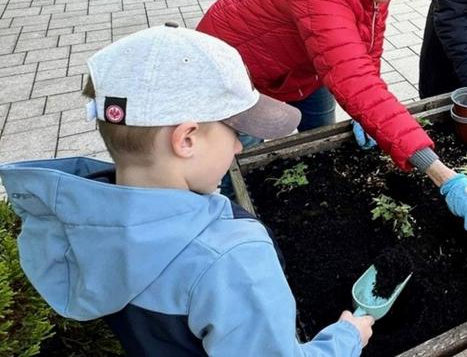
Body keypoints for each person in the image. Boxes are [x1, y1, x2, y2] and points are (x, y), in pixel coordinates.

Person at [0, 25, 374, 355]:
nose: (241, 147)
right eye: (236, 132)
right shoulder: (232, 259)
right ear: (187, 139)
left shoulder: (81, 227)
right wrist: (345, 339)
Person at [196, 0, 467, 232]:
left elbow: (365, 46)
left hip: (302, 69)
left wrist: (369, 115)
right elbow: (352, 79)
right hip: (240, 73)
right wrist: (441, 174)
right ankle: (238, 232)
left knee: (320, 147)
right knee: (244, 168)